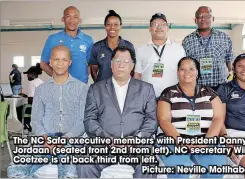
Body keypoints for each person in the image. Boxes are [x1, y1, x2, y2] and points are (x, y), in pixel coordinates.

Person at [7, 45, 89, 178]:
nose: (60, 63)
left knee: (69, 174)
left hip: (71, 139)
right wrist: (45, 138)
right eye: (56, 59)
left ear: (70, 62)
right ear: (50, 62)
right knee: (14, 170)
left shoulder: (82, 89)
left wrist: (64, 139)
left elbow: (83, 121)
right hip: (44, 138)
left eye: (64, 59)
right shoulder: (41, 90)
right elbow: (36, 120)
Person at [77, 46, 157, 178]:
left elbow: (151, 120)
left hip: (136, 146)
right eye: (117, 61)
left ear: (132, 66)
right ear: (111, 64)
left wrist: (135, 140)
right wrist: (106, 139)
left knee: (148, 162)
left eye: (126, 62)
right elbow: (89, 120)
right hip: (104, 144)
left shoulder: (146, 89)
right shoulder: (96, 89)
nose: (121, 65)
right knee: (85, 161)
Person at [157, 57, 229, 178]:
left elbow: (218, 118)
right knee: (180, 171)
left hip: (206, 139)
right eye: (182, 69)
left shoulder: (209, 92)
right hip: (175, 141)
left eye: (191, 69)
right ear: (177, 72)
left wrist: (206, 142)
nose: (187, 73)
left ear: (197, 72)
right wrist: (181, 142)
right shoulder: (168, 93)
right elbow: (163, 120)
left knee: (214, 171)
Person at [182, 6, 234, 91]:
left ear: (212, 18)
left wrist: (229, 76)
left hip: (221, 88)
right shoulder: (187, 41)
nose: (203, 19)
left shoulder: (224, 38)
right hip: (197, 89)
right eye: (200, 16)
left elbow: (229, 61)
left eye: (206, 16)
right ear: (195, 20)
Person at [134, 13, 186, 98]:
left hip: (173, 97)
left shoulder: (179, 49)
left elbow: (183, 74)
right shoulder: (141, 50)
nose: (159, 27)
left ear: (168, 28)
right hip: (147, 98)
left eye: (162, 24)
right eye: (155, 24)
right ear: (150, 29)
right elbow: (137, 75)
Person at [40, 6, 93, 83]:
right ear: (63, 19)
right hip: (59, 86)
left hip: (81, 86)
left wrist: (83, 76)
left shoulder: (88, 40)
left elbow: (92, 64)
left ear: (80, 20)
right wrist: (58, 78)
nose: (72, 20)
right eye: (68, 16)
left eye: (75, 17)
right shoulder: (52, 39)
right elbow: (43, 64)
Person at [90, 10, 135, 82]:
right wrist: (99, 86)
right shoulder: (97, 47)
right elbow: (93, 70)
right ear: (105, 26)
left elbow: (132, 69)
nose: (112, 27)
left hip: (122, 88)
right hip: (103, 90)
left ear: (120, 26)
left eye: (116, 24)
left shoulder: (129, 46)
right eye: (109, 24)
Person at [16, 63, 43, 132]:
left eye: (28, 74)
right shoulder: (41, 82)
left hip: (35, 107)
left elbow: (31, 100)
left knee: (18, 109)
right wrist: (27, 95)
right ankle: (28, 125)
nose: (27, 76)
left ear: (33, 74)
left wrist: (28, 98)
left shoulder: (32, 83)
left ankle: (27, 126)